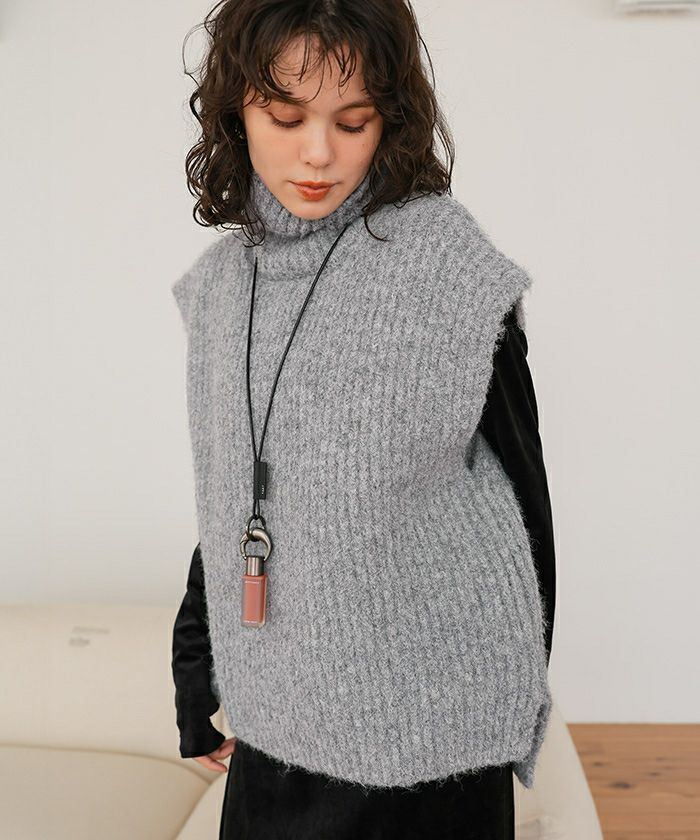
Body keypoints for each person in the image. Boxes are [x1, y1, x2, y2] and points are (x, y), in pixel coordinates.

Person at [170, 2, 557, 838]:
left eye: (353, 122)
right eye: (286, 117)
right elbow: (233, 498)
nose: (318, 154)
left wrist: (514, 692)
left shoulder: (447, 269)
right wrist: (195, 670)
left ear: (391, 118)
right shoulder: (220, 287)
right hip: (275, 731)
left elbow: (529, 504)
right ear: (236, 112)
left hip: (434, 748)